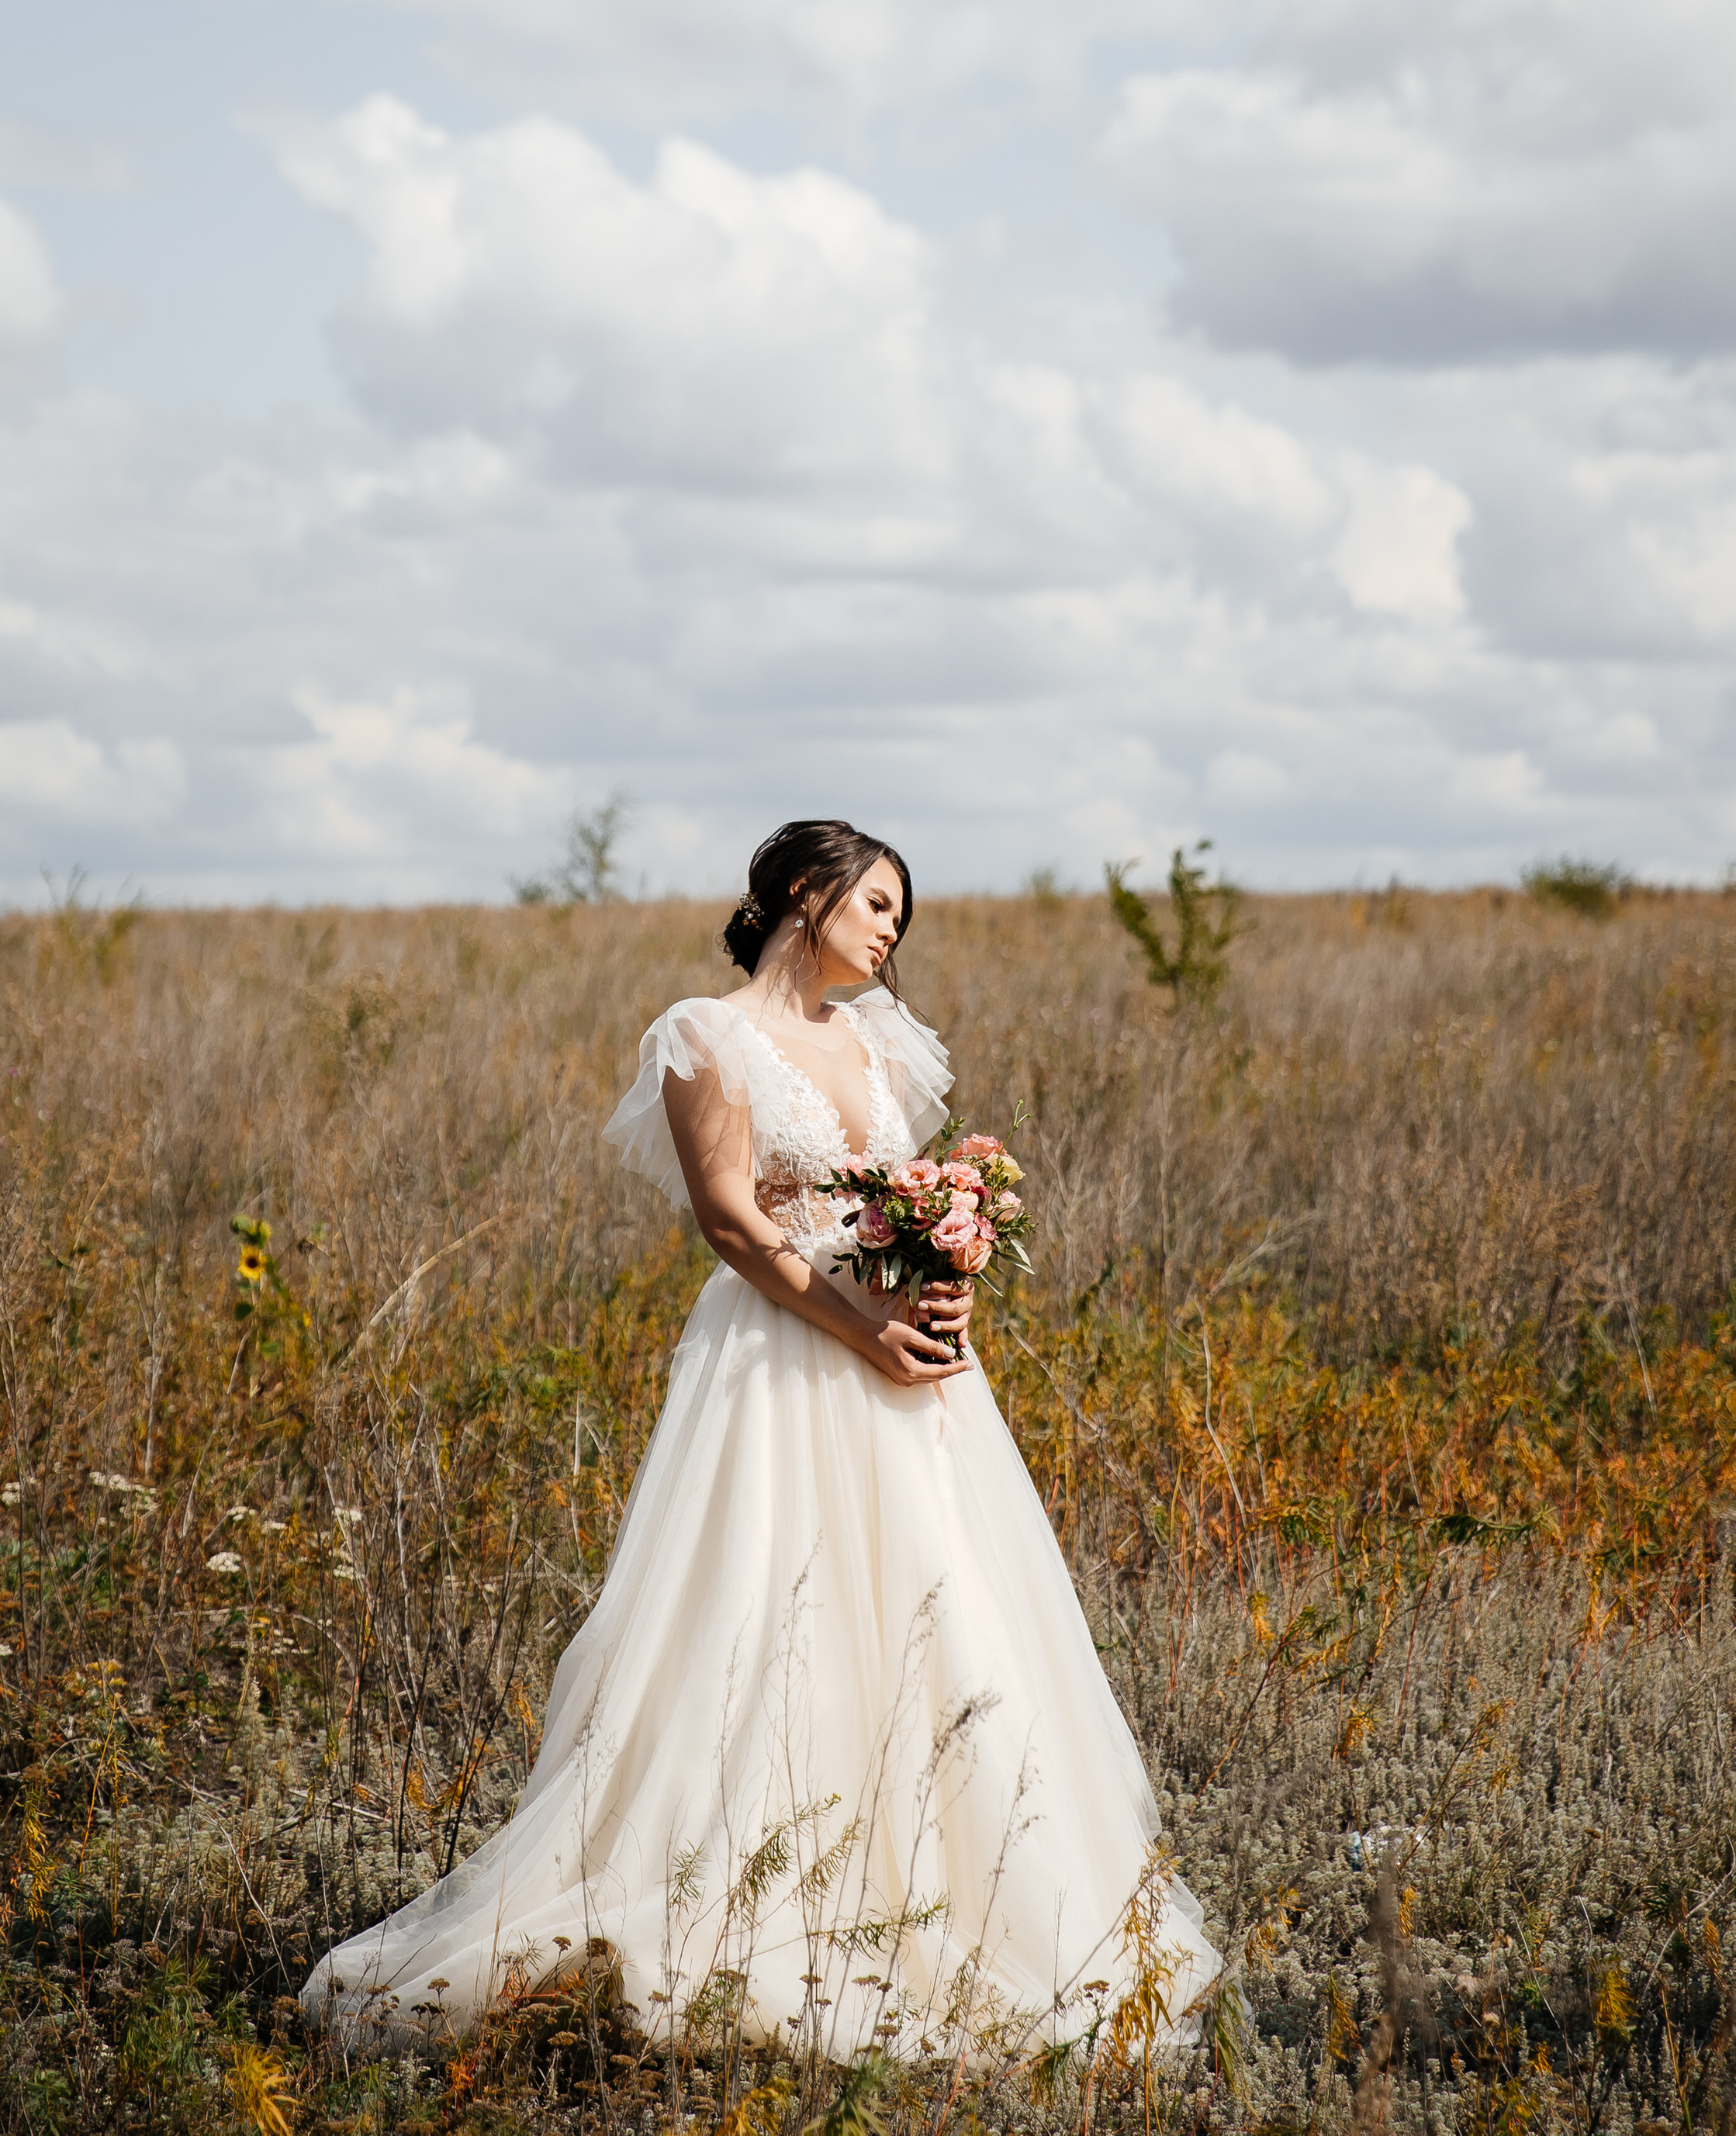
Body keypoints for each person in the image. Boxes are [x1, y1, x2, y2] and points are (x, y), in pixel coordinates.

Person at [304, 818, 1217, 2058]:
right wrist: (860, 1323)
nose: (893, 929)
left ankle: (956, 1892)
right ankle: (744, 1894)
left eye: (903, 914)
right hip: (786, 1356)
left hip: (906, 1372)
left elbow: (905, 1203)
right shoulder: (706, 1034)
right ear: (803, 889)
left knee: (941, 1610)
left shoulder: (880, 1040)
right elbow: (732, 1221)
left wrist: (942, 1286)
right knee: (772, 1609)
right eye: (878, 902)